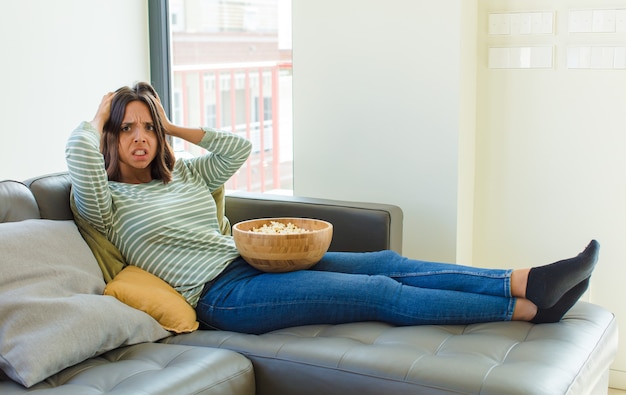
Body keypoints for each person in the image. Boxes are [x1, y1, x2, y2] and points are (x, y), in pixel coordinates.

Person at [66, 82, 600, 334]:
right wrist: (98, 115)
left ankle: (528, 279)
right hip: (222, 295)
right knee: (378, 292)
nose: (140, 137)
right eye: (126, 127)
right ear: (109, 136)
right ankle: (527, 309)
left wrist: (170, 122)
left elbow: (236, 149)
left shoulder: (182, 174)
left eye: (147, 127)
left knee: (389, 263)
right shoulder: (105, 200)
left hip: (253, 261)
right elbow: (80, 159)